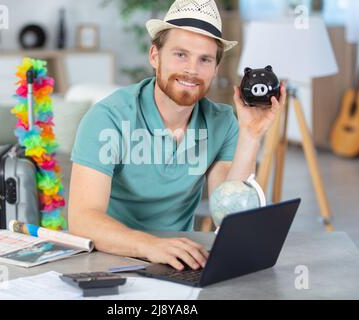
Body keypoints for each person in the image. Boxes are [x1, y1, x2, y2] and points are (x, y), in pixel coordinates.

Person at [68, 0, 286, 271]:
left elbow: (228, 214)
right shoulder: (107, 118)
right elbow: (82, 219)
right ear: (154, 56)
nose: (192, 70)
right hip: (109, 259)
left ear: (215, 69)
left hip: (178, 261)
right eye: (180, 54)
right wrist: (149, 245)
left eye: (204, 59)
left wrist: (251, 135)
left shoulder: (222, 122)